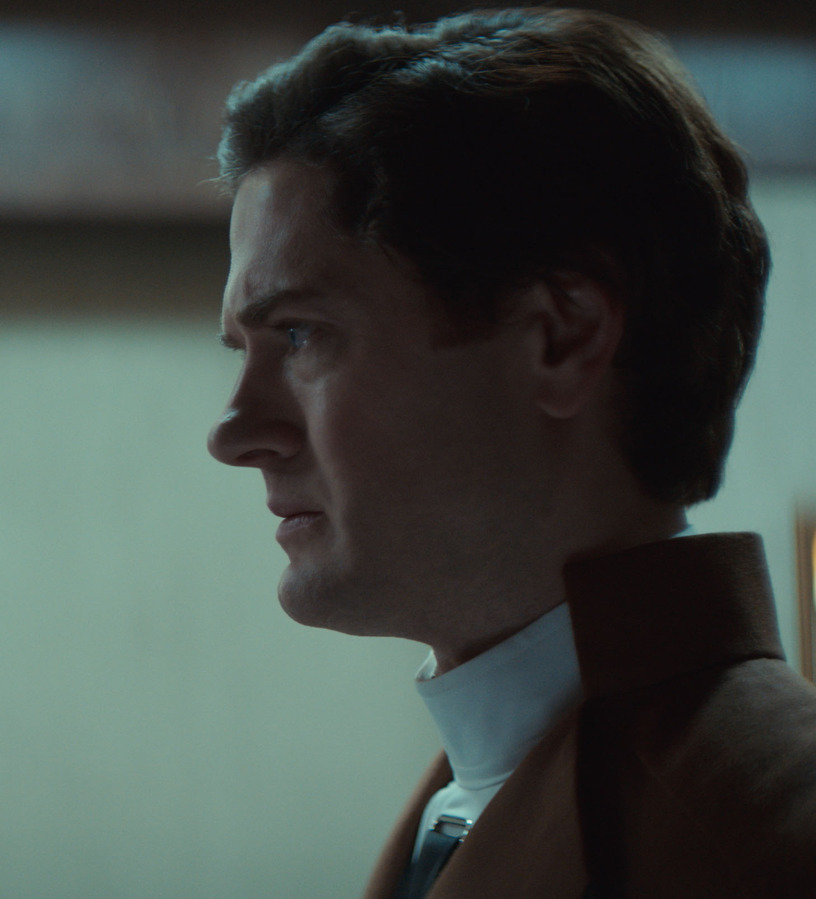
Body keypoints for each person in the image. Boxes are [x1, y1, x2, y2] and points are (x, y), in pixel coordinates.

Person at [207, 8, 816, 898]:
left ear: (563, 337)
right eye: (244, 347)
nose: (232, 432)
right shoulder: (485, 784)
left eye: (299, 333)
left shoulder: (766, 846)